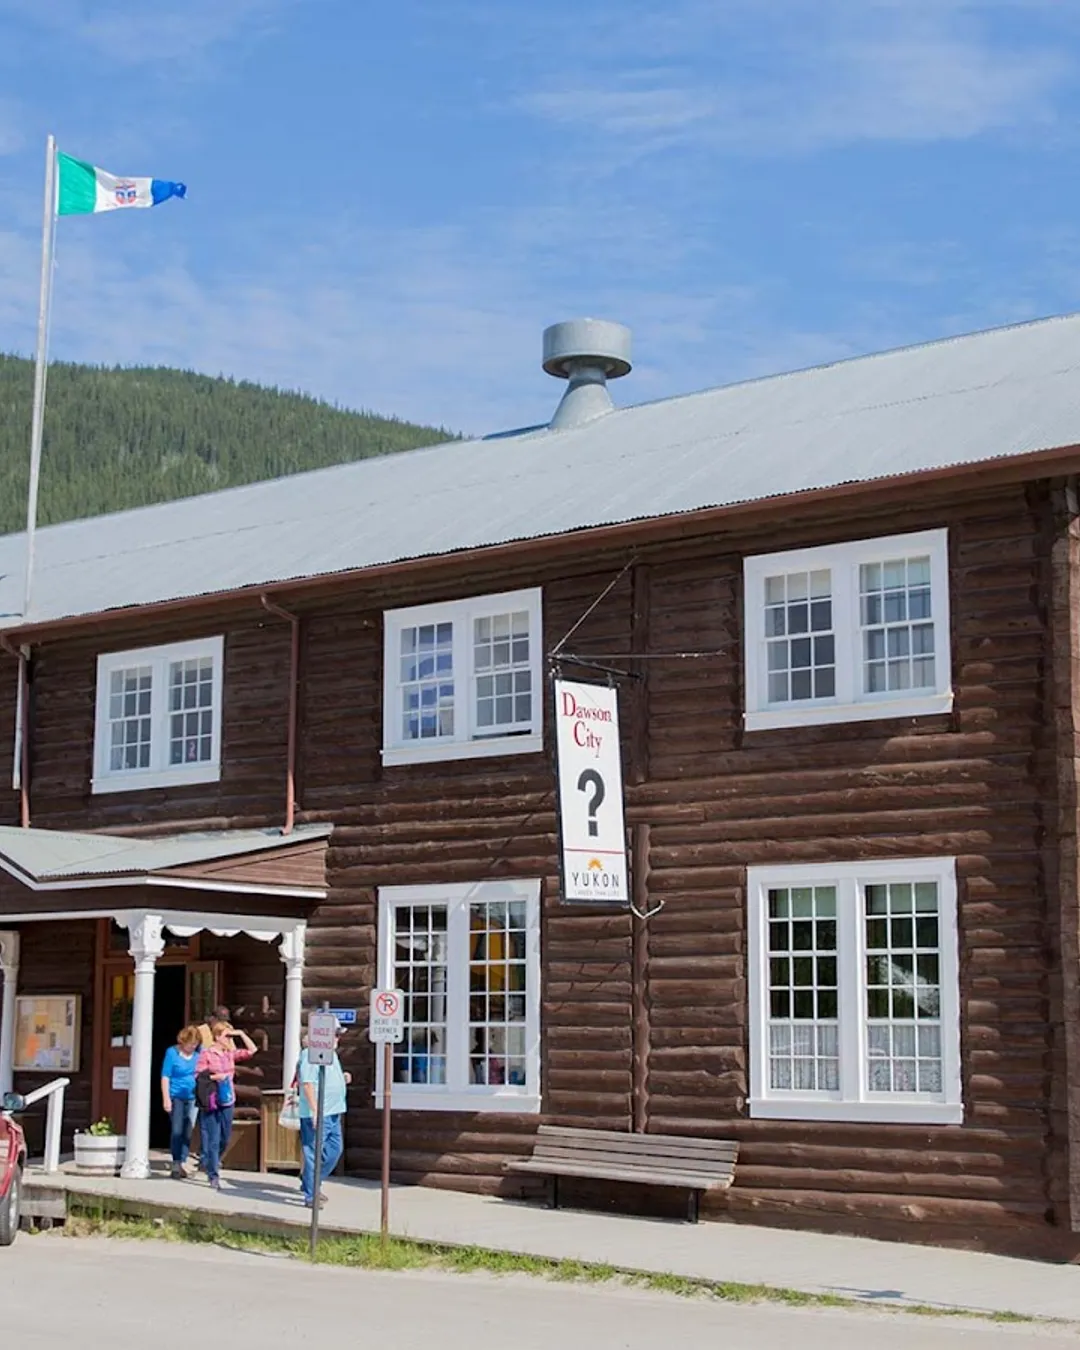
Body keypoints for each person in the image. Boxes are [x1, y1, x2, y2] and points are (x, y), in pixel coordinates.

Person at [195, 1019, 256, 1190]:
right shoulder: (207, 1054)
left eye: (230, 1036)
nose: (229, 1039)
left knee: (225, 1137)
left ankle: (209, 1161)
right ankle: (213, 1175)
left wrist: (240, 1034)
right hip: (212, 1098)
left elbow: (252, 1050)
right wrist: (216, 1077)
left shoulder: (229, 1054)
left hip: (227, 1099)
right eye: (226, 1036)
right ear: (217, 1037)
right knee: (213, 1139)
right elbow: (198, 1076)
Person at [296, 1032, 351, 1208]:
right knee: (313, 1153)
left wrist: (342, 1078)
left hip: (334, 1111)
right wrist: (315, 1110)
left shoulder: (331, 1055)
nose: (337, 1039)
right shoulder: (309, 1054)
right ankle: (311, 1195)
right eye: (334, 1035)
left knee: (335, 1149)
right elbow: (307, 1083)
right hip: (319, 1113)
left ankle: (310, 1180)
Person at [160, 1024, 200, 1179]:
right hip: (176, 1095)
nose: (193, 1047)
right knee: (177, 1130)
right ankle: (176, 1162)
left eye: (195, 1044)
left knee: (188, 1130)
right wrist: (166, 1098)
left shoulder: (198, 1055)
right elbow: (165, 1076)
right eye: (191, 1044)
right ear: (183, 1041)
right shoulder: (172, 1053)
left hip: (192, 1097)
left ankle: (183, 1160)